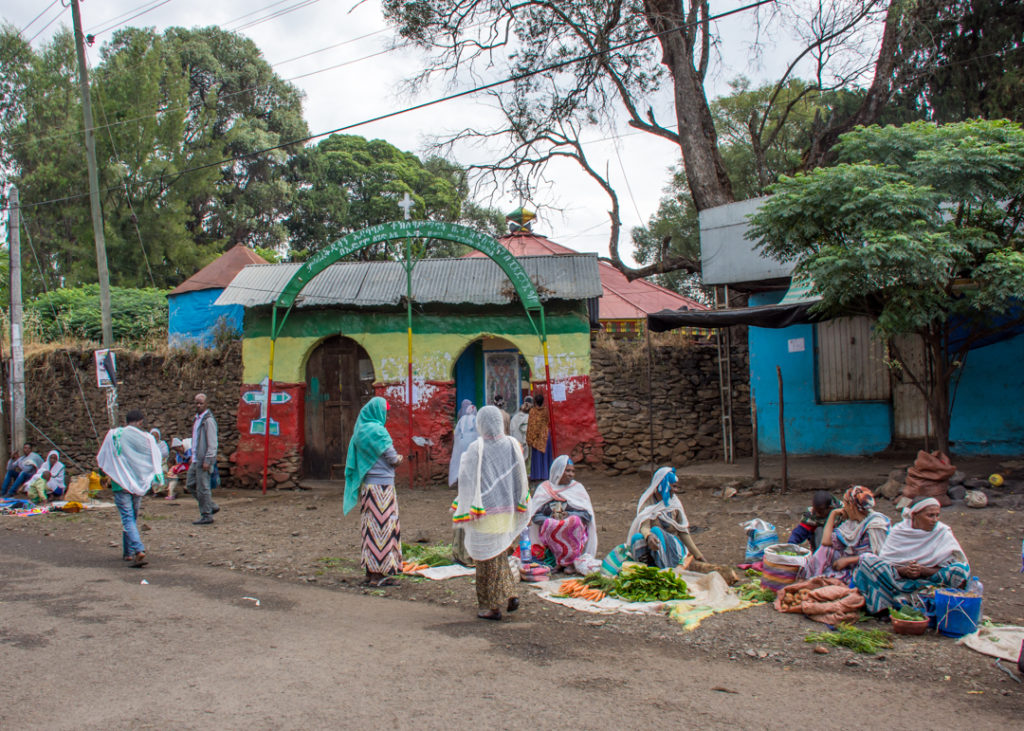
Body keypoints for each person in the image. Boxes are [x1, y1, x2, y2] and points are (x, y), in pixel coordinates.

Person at [454, 405, 530, 620]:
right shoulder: (512, 445)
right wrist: (519, 503)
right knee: (498, 553)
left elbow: (467, 481)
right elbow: (519, 476)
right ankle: (510, 593)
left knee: (485, 560)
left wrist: (462, 504)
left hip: (484, 511)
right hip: (507, 510)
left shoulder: (476, 448)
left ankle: (492, 606)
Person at [853, 497, 970, 614]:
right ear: (914, 515)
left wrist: (923, 570)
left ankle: (943, 607)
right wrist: (904, 571)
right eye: (930, 515)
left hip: (930, 585)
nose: (935, 520)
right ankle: (885, 608)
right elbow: (888, 563)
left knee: (961, 569)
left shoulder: (942, 532)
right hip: (898, 584)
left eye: (937, 515)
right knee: (867, 560)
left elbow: (949, 566)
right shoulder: (899, 531)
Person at [344, 397, 404, 587]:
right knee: (385, 528)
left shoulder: (360, 431)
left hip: (368, 487)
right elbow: (392, 458)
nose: (385, 415)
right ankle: (380, 574)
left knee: (370, 528)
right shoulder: (379, 432)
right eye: (384, 411)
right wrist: (400, 458)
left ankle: (370, 571)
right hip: (383, 488)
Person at [96, 410, 164, 567]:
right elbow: (154, 457)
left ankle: (136, 549)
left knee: (127, 518)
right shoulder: (146, 439)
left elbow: (105, 455)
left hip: (120, 483)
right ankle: (129, 552)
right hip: (138, 483)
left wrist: (103, 474)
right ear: (140, 422)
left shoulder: (115, 435)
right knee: (131, 518)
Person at [800, 485, 890, 583]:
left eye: (846, 504)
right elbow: (826, 542)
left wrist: (848, 560)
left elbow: (878, 557)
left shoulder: (875, 525)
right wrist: (832, 514)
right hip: (852, 563)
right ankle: (813, 577)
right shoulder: (853, 523)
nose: (844, 507)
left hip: (866, 569)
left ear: (851, 506)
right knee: (825, 551)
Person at [527, 455, 597, 573]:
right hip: (551, 528)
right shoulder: (544, 489)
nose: (571, 474)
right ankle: (557, 561)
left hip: (573, 528)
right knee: (551, 524)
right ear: (558, 471)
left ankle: (571, 562)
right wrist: (552, 519)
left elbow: (587, 515)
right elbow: (536, 515)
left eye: (572, 471)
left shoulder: (577, 488)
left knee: (574, 521)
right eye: (567, 470)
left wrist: (568, 517)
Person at [628, 466, 706, 568]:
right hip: (653, 544)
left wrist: (698, 555)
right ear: (662, 485)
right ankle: (646, 567)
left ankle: (665, 568)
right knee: (637, 538)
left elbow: (683, 531)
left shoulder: (675, 503)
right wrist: (648, 536)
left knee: (657, 531)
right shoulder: (648, 503)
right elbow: (644, 526)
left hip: (673, 548)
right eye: (673, 487)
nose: (675, 490)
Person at [186, 393, 220, 525]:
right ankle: (210, 505)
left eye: (201, 403)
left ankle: (206, 514)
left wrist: (208, 459)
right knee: (190, 484)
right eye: (197, 403)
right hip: (196, 458)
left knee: (203, 487)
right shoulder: (197, 420)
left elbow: (212, 442)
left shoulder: (208, 421)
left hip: (203, 459)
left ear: (206, 404)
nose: (198, 405)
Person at [448, 399, 479, 487]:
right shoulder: (475, 419)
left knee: (459, 461)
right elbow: (478, 432)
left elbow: (457, 432)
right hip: (472, 443)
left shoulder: (461, 418)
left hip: (461, 443)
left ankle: (458, 478)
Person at [526, 392, 553, 483]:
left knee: (537, 456)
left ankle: (537, 475)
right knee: (545, 456)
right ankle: (546, 474)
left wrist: (530, 439)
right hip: (545, 435)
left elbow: (531, 425)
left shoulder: (532, 411)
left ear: (535, 402)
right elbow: (548, 421)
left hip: (536, 437)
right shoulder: (546, 410)